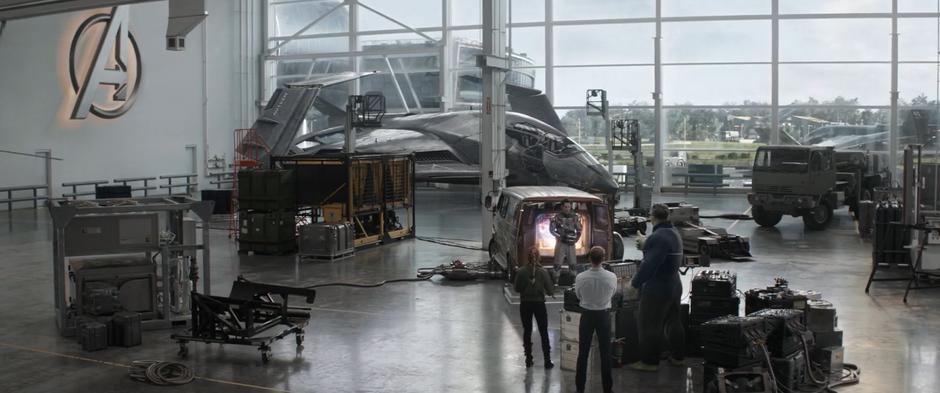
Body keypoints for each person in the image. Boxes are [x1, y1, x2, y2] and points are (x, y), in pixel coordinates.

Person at [629, 203, 685, 372]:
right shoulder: (673, 233)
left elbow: (649, 265)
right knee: (674, 322)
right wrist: (647, 244)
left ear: (652, 217)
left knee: (649, 324)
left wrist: (634, 284)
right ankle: (677, 357)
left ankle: (649, 362)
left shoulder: (658, 237)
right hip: (674, 285)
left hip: (658, 288)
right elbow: (663, 252)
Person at [574, 246, 617, 393]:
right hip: (603, 315)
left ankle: (580, 388)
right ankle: (607, 388)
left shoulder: (581, 277)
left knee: (583, 352)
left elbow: (578, 295)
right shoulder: (611, 277)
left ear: (589, 259)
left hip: (587, 315)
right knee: (605, 353)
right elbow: (613, 294)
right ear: (603, 258)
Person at [514, 246, 555, 369]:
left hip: (525, 304)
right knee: (543, 331)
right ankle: (547, 361)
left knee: (527, 331)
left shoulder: (521, 272)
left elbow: (516, 288)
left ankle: (528, 359)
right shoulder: (543, 272)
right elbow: (550, 290)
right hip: (539, 304)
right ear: (539, 257)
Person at [550, 199, 581, 272]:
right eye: (565, 207)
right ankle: (556, 281)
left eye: (569, 207)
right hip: (561, 242)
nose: (567, 209)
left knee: (573, 264)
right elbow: (551, 230)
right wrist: (559, 237)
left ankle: (573, 280)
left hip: (571, 243)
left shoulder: (575, 217)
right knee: (557, 264)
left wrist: (576, 239)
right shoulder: (556, 217)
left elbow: (579, 229)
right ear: (562, 207)